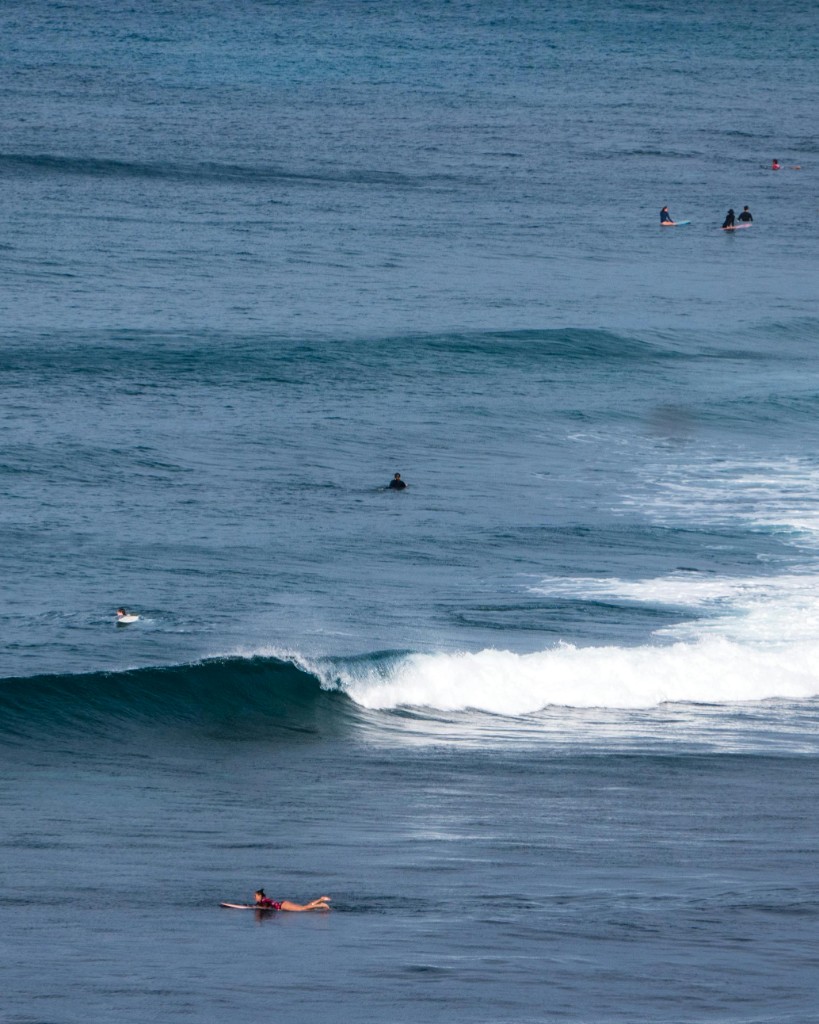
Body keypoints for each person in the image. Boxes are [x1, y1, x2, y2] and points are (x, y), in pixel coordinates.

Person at [254, 889, 331, 912]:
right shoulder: (263, 900)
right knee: (304, 907)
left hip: (282, 906)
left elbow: (265, 907)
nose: (255, 897)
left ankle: (322, 905)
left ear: (260, 896)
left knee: (302, 909)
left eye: (256, 896)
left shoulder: (264, 901)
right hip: (283, 904)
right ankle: (321, 899)